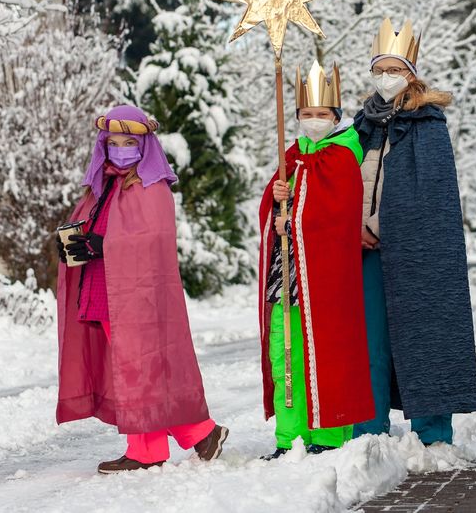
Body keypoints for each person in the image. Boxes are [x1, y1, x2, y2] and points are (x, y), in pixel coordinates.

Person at [55, 104, 228, 474]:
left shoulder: (153, 185)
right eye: (113, 141)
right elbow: (94, 225)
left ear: (144, 143)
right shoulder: (105, 183)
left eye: (128, 141)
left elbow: (154, 239)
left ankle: (186, 437)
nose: (120, 148)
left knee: (139, 367)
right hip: (103, 289)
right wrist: (75, 242)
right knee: (130, 368)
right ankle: (174, 440)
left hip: (137, 295)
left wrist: (105, 245)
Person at [352, 18, 476, 446]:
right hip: (366, 251)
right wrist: (354, 226)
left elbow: (435, 196)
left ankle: (433, 433)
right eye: (380, 70)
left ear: (410, 74)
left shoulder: (427, 124)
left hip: (417, 251)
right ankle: (368, 431)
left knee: (425, 334)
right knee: (370, 341)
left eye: (395, 70)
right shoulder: (361, 126)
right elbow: (346, 183)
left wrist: (398, 228)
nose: (386, 78)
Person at [257, 62, 375, 459]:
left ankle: (328, 436)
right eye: (306, 115)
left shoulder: (342, 158)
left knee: (326, 354)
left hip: (324, 281)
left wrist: (296, 212)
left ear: (336, 117)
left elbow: (336, 217)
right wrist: (275, 200)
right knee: (284, 352)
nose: (313, 121)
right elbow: (273, 216)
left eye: (322, 115)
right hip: (286, 275)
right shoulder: (291, 156)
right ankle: (288, 438)